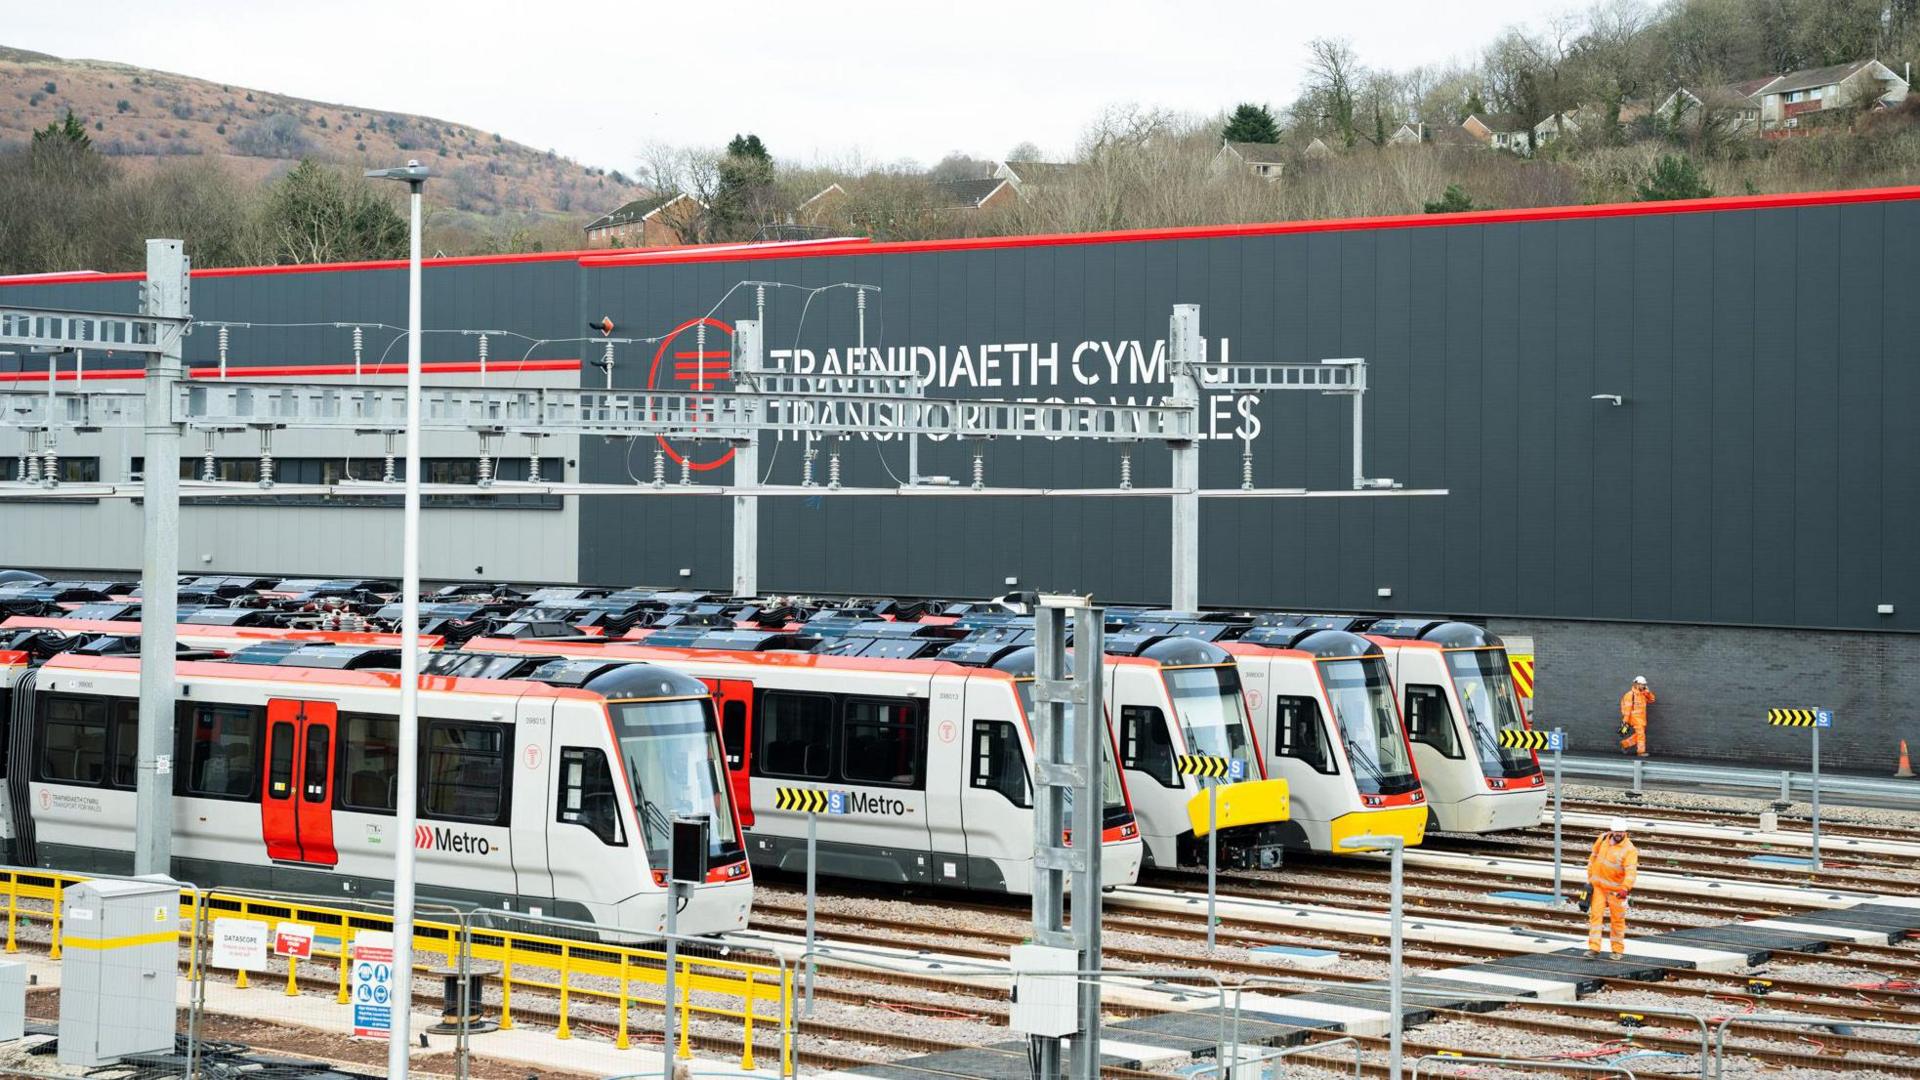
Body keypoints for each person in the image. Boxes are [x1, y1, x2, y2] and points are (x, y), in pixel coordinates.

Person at [1585, 817, 1639, 958]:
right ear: (1611, 831)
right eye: (1616, 832)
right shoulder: (1602, 839)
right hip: (1598, 888)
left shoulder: (1629, 850)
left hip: (1617, 891)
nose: (1619, 834)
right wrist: (1590, 878)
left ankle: (1617, 950)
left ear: (1625, 832)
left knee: (1617, 920)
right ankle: (1594, 948)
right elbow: (1593, 857)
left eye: (1621, 832)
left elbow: (1631, 871)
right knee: (1595, 918)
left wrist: (1625, 888)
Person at [1618, 676, 1654, 757]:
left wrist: (1647, 692)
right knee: (1641, 735)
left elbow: (1652, 700)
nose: (1643, 686)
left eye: (1644, 685)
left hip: (1642, 719)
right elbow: (1627, 709)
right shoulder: (1630, 695)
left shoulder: (1643, 694)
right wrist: (1625, 721)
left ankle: (1624, 744)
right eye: (1642, 684)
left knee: (1639, 735)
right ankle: (1641, 752)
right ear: (1636, 684)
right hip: (1635, 719)